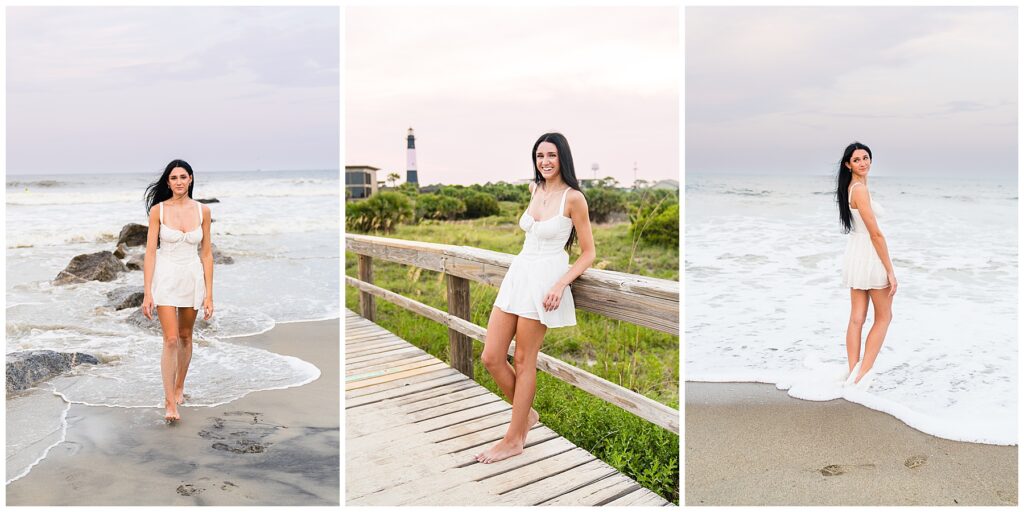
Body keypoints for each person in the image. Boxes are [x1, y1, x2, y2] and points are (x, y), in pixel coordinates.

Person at [476, 133, 596, 463]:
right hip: (519, 274)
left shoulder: (574, 198)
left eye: (551, 156)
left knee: (525, 360)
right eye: (540, 155)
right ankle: (526, 414)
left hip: (545, 280)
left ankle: (515, 439)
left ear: (563, 159)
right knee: (491, 356)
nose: (544, 161)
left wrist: (560, 285)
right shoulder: (534, 188)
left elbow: (588, 254)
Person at [141, 159, 214, 423]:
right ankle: (170, 402)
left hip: (192, 277)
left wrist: (209, 294)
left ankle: (180, 385)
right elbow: (150, 252)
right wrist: (147, 292)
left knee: (185, 336)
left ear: (191, 179)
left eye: (183, 177)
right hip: (166, 276)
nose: (179, 182)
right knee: (170, 339)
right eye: (174, 178)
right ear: (168, 182)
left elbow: (206, 254)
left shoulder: (203, 211)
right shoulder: (158, 211)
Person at [836, 142, 896, 389]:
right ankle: (862, 375)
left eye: (866, 158)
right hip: (869, 256)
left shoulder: (851, 188)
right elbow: (876, 235)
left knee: (857, 318)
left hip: (855, 254)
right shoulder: (859, 190)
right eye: (857, 159)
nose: (863, 163)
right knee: (884, 316)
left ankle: (853, 373)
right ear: (848, 164)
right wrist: (890, 270)